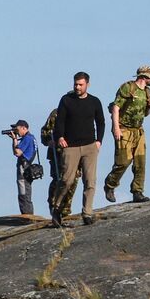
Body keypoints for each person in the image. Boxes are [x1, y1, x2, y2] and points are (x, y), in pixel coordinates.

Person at [53, 72, 106, 225]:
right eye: (75, 84)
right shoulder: (66, 100)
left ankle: (87, 213)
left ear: (87, 84)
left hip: (90, 146)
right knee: (67, 180)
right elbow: (59, 122)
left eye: (80, 84)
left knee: (90, 181)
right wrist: (60, 137)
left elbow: (101, 122)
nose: (77, 87)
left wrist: (99, 141)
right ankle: (56, 208)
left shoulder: (95, 101)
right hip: (70, 147)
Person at [105, 65, 150, 203]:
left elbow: (145, 114)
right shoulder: (128, 88)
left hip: (138, 130)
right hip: (124, 129)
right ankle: (110, 185)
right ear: (144, 76)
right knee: (123, 162)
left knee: (140, 162)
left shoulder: (147, 92)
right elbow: (115, 108)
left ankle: (137, 191)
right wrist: (116, 128)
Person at [9, 120, 38, 214]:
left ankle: (27, 215)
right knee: (26, 192)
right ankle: (28, 214)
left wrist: (14, 140)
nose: (16, 131)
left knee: (23, 193)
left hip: (24, 168)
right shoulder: (32, 138)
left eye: (17, 129)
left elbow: (17, 153)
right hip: (28, 168)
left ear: (24, 128)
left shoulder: (27, 138)